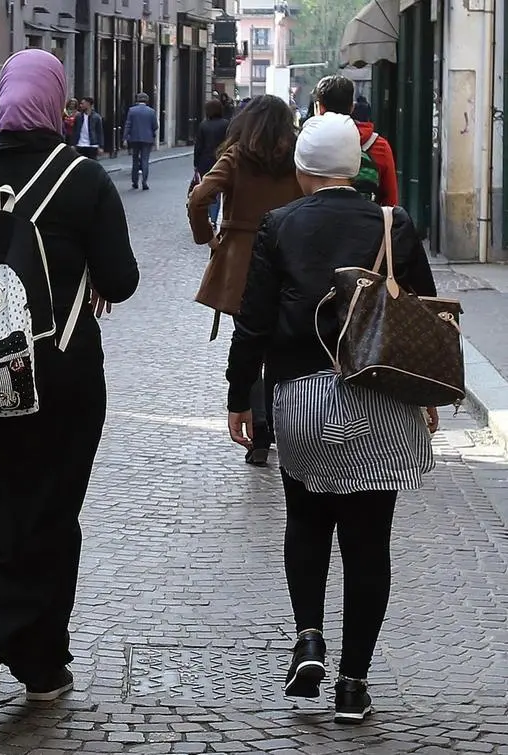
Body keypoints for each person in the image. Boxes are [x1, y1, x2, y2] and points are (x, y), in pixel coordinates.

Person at [0, 48, 139, 737]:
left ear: (2, 97)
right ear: (59, 102)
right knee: (46, 514)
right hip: (58, 381)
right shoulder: (84, 179)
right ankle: (41, 665)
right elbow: (121, 278)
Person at [226, 112, 437, 724]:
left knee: (307, 521)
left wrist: (242, 397)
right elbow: (422, 315)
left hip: (304, 400)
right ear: (356, 167)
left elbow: (254, 321)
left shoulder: (281, 224)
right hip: (380, 397)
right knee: (369, 543)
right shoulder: (392, 223)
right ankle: (353, 683)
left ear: (303, 170)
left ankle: (309, 637)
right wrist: (426, 395)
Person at [187, 95, 303, 465]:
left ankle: (259, 434)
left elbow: (199, 198)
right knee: (282, 347)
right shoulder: (297, 158)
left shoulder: (237, 156)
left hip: (243, 261)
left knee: (249, 342)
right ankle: (289, 426)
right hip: (288, 255)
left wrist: (208, 237)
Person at [314, 75, 397, 206]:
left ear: (319, 108)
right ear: (352, 107)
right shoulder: (379, 146)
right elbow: (390, 201)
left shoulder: (309, 146)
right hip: (367, 223)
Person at [192, 99, 229, 223]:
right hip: (222, 160)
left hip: (205, 162)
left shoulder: (203, 125)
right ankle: (214, 217)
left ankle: (208, 215)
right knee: (218, 191)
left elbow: (198, 146)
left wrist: (196, 163)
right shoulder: (226, 124)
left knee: (207, 189)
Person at [123, 92, 159, 190]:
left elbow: (128, 125)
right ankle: (144, 181)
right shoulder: (151, 111)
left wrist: (125, 138)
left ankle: (135, 182)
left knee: (135, 160)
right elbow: (155, 125)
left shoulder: (132, 110)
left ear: (137, 100)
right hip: (147, 139)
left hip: (134, 138)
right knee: (145, 160)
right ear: (146, 100)